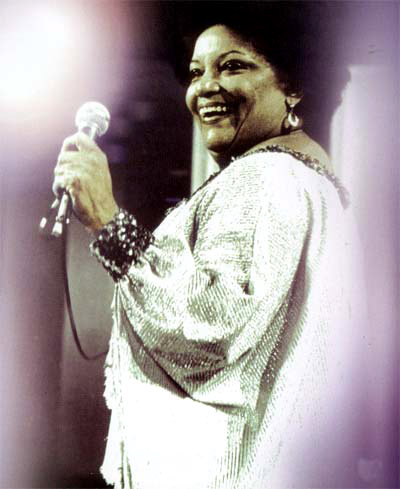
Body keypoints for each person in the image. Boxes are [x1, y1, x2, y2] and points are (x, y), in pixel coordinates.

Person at [53, 4, 365, 488]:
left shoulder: (267, 178)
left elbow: (211, 326)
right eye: (196, 72)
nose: (204, 88)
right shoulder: (306, 184)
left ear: (293, 86)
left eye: (233, 66)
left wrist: (108, 223)